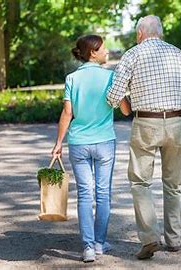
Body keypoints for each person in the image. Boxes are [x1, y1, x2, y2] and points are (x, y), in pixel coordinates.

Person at [107, 15, 181, 260]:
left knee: (140, 182)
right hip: (177, 122)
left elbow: (113, 96)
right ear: (159, 32)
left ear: (140, 33)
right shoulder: (177, 53)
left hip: (146, 122)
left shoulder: (132, 54)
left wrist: (126, 103)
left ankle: (150, 238)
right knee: (174, 184)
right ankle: (174, 240)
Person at [52, 35, 131, 263]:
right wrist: (124, 91)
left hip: (78, 143)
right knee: (103, 193)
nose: (107, 52)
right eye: (104, 48)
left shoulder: (72, 78)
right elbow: (125, 111)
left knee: (85, 194)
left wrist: (58, 143)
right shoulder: (111, 76)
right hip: (105, 142)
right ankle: (98, 243)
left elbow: (67, 113)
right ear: (93, 52)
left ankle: (87, 247)